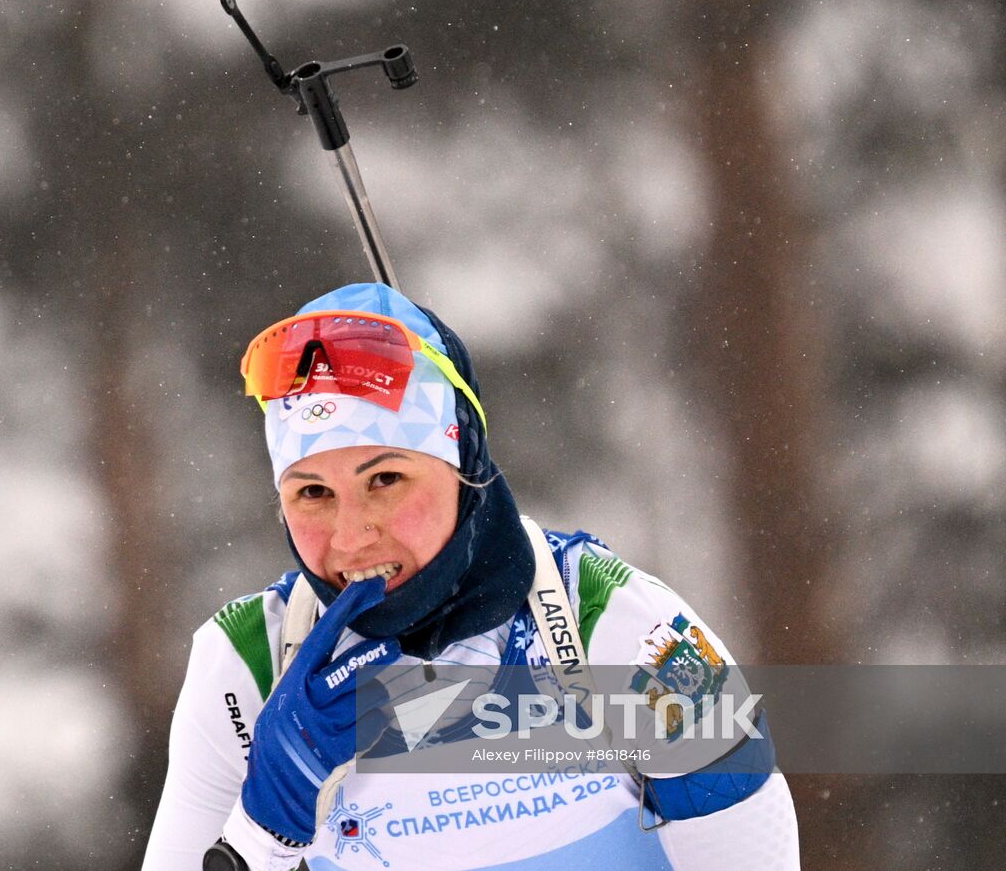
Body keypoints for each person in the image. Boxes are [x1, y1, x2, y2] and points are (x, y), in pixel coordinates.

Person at [143, 283, 800, 871]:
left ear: (465, 466)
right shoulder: (248, 672)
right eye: (312, 493)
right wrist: (261, 836)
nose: (350, 536)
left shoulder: (625, 630)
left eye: (386, 479)